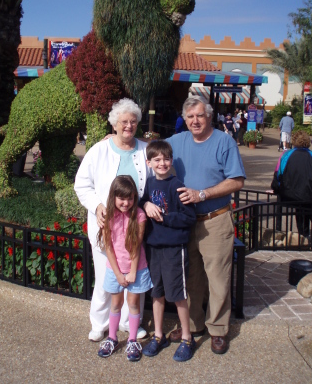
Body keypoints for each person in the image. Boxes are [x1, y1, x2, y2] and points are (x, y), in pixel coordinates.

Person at [164, 96, 245, 354]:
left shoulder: (224, 141)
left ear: (209, 116)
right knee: (192, 278)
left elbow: (236, 181)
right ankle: (193, 325)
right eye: (190, 117)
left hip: (215, 220)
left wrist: (202, 194)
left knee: (218, 278)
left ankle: (218, 330)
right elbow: (149, 149)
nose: (195, 121)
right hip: (186, 222)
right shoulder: (177, 142)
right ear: (184, 119)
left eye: (199, 115)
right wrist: (116, 137)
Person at [74, 98, 153, 342]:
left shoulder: (145, 149)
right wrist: (97, 206)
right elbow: (82, 184)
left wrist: (148, 202)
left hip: (134, 227)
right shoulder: (99, 149)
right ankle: (100, 323)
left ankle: (131, 323)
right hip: (105, 226)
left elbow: (157, 177)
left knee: (134, 275)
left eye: (132, 122)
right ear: (114, 125)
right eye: (123, 122)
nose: (128, 126)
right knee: (106, 277)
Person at [140, 141, 197, 362]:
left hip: (174, 248)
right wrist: (146, 206)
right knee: (157, 292)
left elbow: (189, 217)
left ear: (171, 161)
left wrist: (164, 216)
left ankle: (186, 337)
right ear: (149, 163)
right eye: (157, 160)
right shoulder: (150, 183)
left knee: (178, 294)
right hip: (154, 247)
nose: (162, 163)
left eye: (166, 159)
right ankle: (159, 335)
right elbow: (143, 201)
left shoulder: (177, 185)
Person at [96, 176, 153, 361]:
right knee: (116, 303)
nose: (126, 203)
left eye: (130, 198)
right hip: (115, 269)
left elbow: (136, 245)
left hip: (137, 268)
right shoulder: (108, 217)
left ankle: (132, 339)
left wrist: (133, 271)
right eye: (121, 198)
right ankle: (112, 337)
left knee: (134, 304)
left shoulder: (139, 215)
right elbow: (109, 247)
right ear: (113, 197)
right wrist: (119, 273)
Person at [270, 130, 312, 238]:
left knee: (300, 212)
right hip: (308, 194)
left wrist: (275, 188)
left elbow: (278, 174)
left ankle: (303, 236)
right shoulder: (310, 155)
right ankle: (305, 235)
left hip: (291, 194)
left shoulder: (287, 155)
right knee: (306, 209)